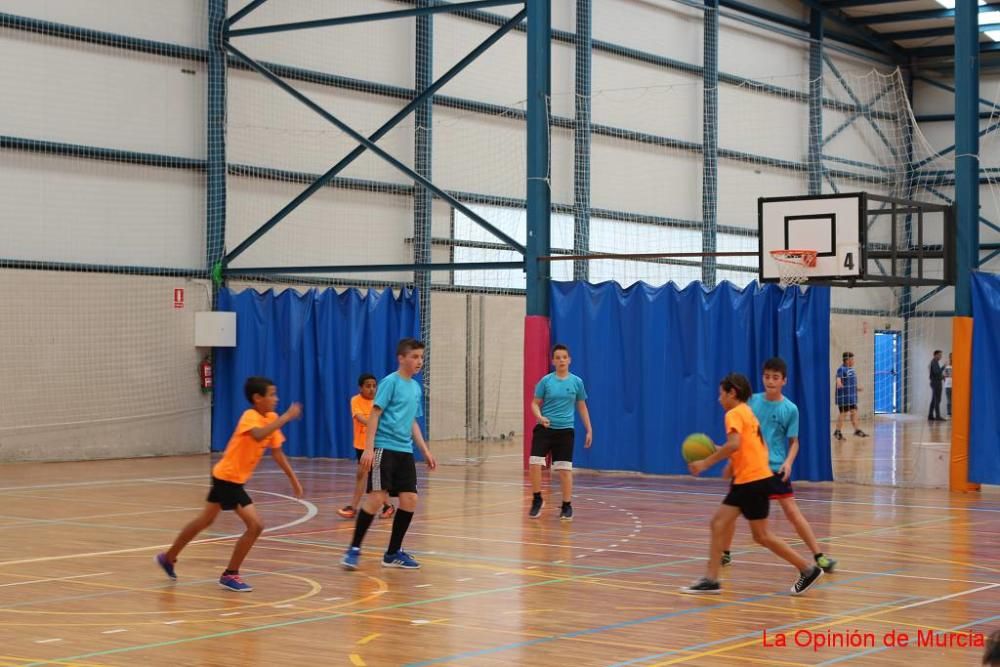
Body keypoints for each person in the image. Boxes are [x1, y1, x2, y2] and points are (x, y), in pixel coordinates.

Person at [156, 376, 303, 592]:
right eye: (271, 394)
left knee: (204, 520)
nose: (276, 399)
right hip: (228, 479)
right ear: (257, 398)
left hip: (228, 477)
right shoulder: (250, 416)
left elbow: (277, 452)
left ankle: (168, 557)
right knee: (256, 526)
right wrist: (286, 417)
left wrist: (293, 479)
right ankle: (230, 574)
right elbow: (257, 435)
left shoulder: (270, 417)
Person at [682, 372, 823, 596]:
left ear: (732, 393)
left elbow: (735, 444)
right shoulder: (748, 412)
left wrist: (704, 464)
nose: (719, 399)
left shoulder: (734, 413)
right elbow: (751, 446)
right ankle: (711, 579)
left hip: (751, 482)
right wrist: (730, 464)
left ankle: (807, 568)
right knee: (733, 528)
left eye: (721, 394)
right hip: (754, 479)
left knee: (754, 533)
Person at [719, 358, 837, 574]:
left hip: (775, 468)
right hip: (749, 467)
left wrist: (788, 462)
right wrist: (732, 460)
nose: (770, 381)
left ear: (784, 380)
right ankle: (725, 552)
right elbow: (740, 436)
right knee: (731, 512)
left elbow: (794, 442)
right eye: (766, 376)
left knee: (792, 512)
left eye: (775, 377)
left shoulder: (790, 409)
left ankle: (818, 556)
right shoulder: (750, 402)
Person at [342, 338, 436, 570]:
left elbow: (412, 420)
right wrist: (368, 448)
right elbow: (375, 414)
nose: (419, 361)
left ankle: (393, 552)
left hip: (405, 451)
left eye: (421, 357)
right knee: (376, 498)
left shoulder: (415, 388)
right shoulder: (389, 382)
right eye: (414, 357)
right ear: (401, 358)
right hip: (384, 448)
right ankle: (354, 549)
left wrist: (424, 450)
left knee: (410, 499)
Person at [528, 343, 593, 522]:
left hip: (565, 431)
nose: (561, 360)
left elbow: (581, 406)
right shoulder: (546, 381)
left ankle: (566, 505)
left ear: (569, 360)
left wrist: (589, 429)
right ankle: (537, 499)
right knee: (534, 463)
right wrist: (540, 417)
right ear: (553, 361)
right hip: (545, 429)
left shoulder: (577, 382)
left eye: (564, 357)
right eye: (558, 357)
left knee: (564, 470)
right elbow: (534, 403)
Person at [338, 373, 394, 520]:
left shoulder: (379, 402)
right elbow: (360, 418)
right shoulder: (355, 400)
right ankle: (388, 506)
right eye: (368, 386)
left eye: (374, 386)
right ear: (360, 388)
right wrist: (374, 422)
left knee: (367, 477)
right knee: (368, 478)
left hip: (377, 445)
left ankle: (353, 508)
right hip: (361, 445)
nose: (372, 389)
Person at [834, 352, 867, 441]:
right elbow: (838, 378)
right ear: (847, 360)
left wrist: (857, 388)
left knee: (854, 412)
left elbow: (850, 382)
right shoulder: (841, 369)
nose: (853, 361)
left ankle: (856, 430)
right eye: (852, 359)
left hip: (851, 397)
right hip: (844, 397)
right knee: (843, 414)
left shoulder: (851, 370)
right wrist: (839, 383)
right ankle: (837, 432)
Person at [929, 349, 945, 421]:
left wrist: (942, 376)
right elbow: (936, 372)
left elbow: (937, 373)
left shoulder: (935, 362)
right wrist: (943, 367)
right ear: (935, 355)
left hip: (935, 382)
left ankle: (930, 415)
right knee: (937, 400)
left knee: (934, 400)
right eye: (939, 355)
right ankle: (937, 416)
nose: (940, 356)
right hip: (936, 383)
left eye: (941, 355)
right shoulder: (934, 362)